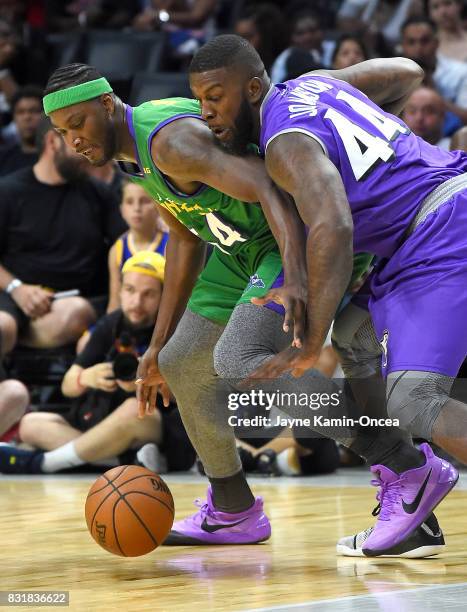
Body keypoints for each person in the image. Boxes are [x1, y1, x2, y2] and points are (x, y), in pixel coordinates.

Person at [42, 62, 453, 559]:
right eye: (63, 133)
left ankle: (403, 463)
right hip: (237, 248)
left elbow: (264, 184)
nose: (74, 142)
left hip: (288, 235)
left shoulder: (167, 141)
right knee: (181, 362)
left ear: (107, 104)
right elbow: (183, 236)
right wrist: (157, 342)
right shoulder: (132, 155)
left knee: (241, 356)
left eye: (79, 124)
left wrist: (298, 273)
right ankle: (233, 509)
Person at [189, 34, 465, 554]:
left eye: (214, 97)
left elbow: (333, 228)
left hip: (440, 234)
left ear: (252, 89)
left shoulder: (282, 142)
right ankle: (408, 490)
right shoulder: (314, 86)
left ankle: (415, 475)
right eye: (199, 100)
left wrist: (309, 341)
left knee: (413, 400)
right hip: (428, 227)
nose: (206, 112)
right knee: (357, 332)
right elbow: (406, 70)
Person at [0, 251, 195, 474]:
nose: (136, 302)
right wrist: (87, 377)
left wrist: (152, 384)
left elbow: (192, 398)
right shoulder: (111, 323)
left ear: (164, 296)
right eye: (130, 291)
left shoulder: (175, 328)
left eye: (148, 294)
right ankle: (123, 460)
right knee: (30, 424)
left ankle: (45, 463)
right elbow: (68, 385)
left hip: (158, 426)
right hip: (102, 421)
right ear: (120, 291)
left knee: (134, 409)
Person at [0, 114, 120, 361]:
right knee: (3, 327)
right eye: (78, 143)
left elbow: (125, 244)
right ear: (52, 142)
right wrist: (17, 289)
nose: (87, 152)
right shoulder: (8, 192)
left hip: (77, 298)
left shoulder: (98, 193)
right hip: (16, 294)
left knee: (72, 313)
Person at [107, 180, 168, 313]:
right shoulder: (117, 250)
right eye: (129, 202)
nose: (137, 208)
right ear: (122, 209)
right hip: (132, 320)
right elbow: (115, 303)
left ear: (159, 205)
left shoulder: (170, 244)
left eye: (144, 201)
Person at [401, 15, 467, 127]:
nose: (418, 48)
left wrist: (432, 95)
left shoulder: (461, 72)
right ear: (403, 46)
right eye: (411, 42)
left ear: (436, 43)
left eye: (424, 41)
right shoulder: (392, 74)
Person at [0, 85, 42, 175]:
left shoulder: (59, 158)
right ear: (14, 117)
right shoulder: (3, 158)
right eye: (20, 112)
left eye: (34, 111)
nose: (27, 117)